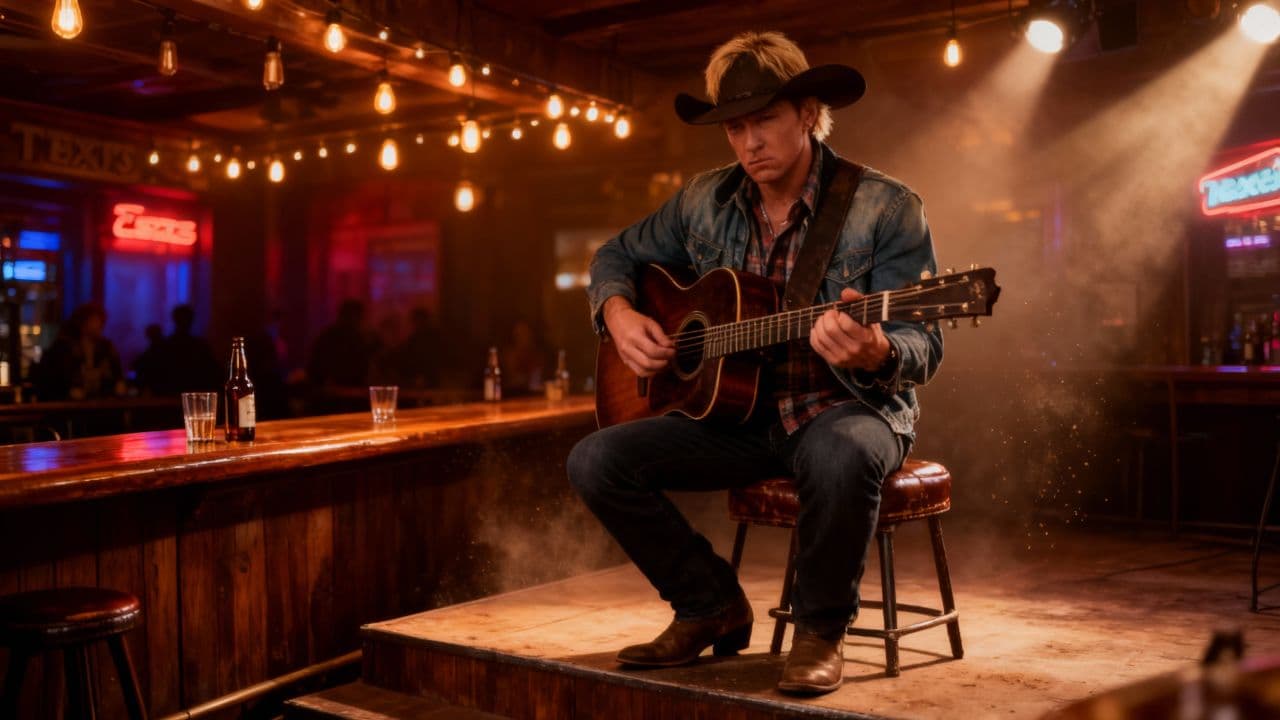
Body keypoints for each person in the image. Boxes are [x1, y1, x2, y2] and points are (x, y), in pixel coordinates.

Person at [566, 32, 943, 695]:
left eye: (763, 121)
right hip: (737, 418)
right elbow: (613, 257)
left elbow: (924, 345)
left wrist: (879, 350)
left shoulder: (886, 206)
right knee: (595, 460)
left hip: (844, 408)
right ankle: (708, 605)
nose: (748, 144)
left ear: (806, 112)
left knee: (841, 452)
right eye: (734, 128)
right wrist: (620, 315)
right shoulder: (702, 201)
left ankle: (820, 633)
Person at [35, 302, 124, 401]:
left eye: (100, 320)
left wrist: (117, 385)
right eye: (94, 320)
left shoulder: (106, 347)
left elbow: (116, 373)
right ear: (83, 322)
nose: (100, 324)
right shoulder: (64, 347)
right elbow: (54, 378)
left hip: (101, 403)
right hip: (69, 405)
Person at [154, 304, 221, 395]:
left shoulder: (164, 346)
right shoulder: (200, 346)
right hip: (180, 397)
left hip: (177, 397)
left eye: (185, 318)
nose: (184, 321)